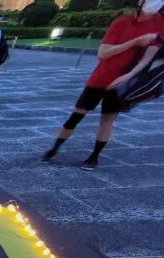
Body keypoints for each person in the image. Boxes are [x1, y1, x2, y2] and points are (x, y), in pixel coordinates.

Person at [43, 0, 164, 170]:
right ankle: (55, 148)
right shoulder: (123, 22)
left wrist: (129, 76)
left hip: (123, 82)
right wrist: (135, 42)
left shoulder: (160, 23)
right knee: (77, 114)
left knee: (107, 120)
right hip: (101, 77)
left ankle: (94, 157)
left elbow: (148, 57)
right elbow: (103, 52)